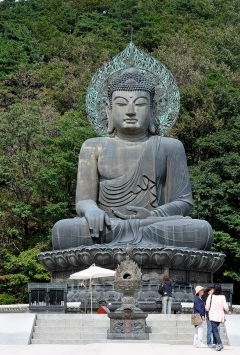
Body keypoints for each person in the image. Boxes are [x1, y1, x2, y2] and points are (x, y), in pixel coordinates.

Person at [51, 67, 213, 250]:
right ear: (108, 110)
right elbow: (83, 200)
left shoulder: (170, 146)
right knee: (62, 231)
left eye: (140, 104)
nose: (130, 111)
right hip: (108, 226)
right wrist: (92, 210)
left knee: (201, 230)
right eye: (121, 104)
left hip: (154, 225)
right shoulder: (92, 146)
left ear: (153, 110)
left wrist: (154, 215)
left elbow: (184, 202)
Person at [206, 285, 229, 351]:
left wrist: (208, 310)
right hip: (220, 316)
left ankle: (220, 343)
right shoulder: (223, 297)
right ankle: (217, 344)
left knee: (214, 330)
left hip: (213, 315)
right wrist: (228, 311)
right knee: (215, 329)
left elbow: (207, 306)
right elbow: (225, 306)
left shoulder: (211, 296)